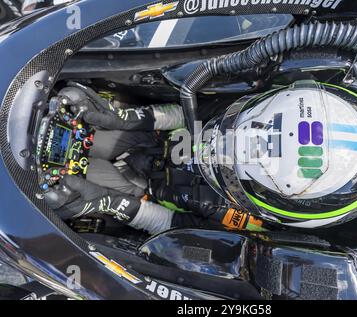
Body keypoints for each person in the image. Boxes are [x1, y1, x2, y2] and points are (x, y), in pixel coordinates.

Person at [44, 82, 266, 235]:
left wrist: (111, 203)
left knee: (61, 193)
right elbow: (187, 113)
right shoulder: (256, 107)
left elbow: (172, 226)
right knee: (75, 114)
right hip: (147, 139)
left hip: (142, 189)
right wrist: (125, 119)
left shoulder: (254, 220)